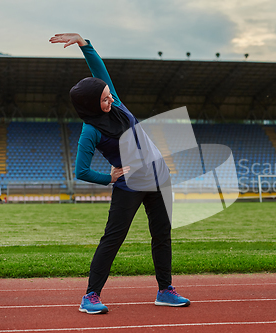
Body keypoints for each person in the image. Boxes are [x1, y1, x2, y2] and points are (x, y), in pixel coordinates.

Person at [49, 33, 190, 314]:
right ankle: (90, 296)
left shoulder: (118, 104)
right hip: (130, 185)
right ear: (90, 105)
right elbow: (81, 170)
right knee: (113, 239)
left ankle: (165, 290)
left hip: (159, 177)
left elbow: (99, 71)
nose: (110, 99)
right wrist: (109, 178)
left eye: (109, 94)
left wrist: (83, 44)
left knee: (162, 234)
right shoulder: (90, 131)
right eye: (103, 99)